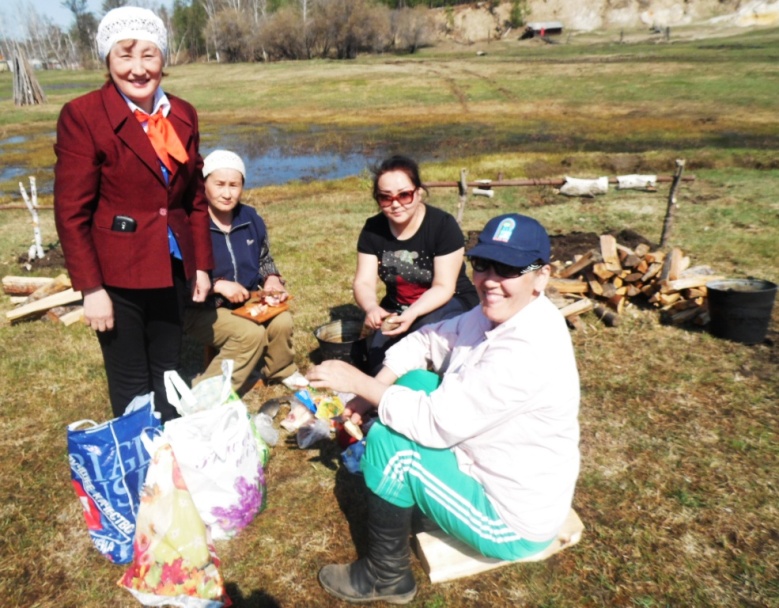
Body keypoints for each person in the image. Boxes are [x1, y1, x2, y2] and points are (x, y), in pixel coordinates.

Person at [307, 213, 580, 604]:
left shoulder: (528, 347)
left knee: (390, 447)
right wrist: (373, 391)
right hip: (487, 464)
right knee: (416, 382)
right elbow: (429, 340)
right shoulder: (493, 316)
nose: (489, 280)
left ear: (541, 277)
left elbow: (436, 422)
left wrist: (357, 382)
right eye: (482, 264)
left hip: (510, 518)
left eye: (508, 269)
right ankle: (416, 501)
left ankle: (387, 577)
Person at [54, 7, 212, 423]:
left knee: (169, 367)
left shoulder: (183, 113)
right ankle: (138, 467)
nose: (139, 69)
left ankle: (169, 462)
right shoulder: (84, 115)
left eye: (149, 55)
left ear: (163, 58)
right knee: (129, 378)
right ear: (108, 60)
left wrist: (201, 266)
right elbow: (71, 212)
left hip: (173, 266)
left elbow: (193, 198)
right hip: (116, 275)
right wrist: (91, 289)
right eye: (125, 55)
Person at [184, 150, 307, 393]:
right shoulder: (190, 222)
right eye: (219, 184)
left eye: (234, 185)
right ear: (203, 183)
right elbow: (180, 275)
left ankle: (281, 370)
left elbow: (264, 258)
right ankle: (206, 396)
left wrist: (272, 278)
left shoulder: (250, 217)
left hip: (249, 301)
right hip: (203, 308)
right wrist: (218, 284)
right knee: (250, 334)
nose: (227, 193)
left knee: (282, 320)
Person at [354, 155, 478, 375]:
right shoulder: (373, 229)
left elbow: (443, 287)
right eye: (385, 197)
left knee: (418, 338)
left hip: (450, 302)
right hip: (398, 307)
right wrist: (371, 307)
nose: (395, 204)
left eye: (404, 195)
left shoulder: (443, 226)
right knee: (378, 364)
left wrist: (412, 314)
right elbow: (363, 281)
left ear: (418, 192)